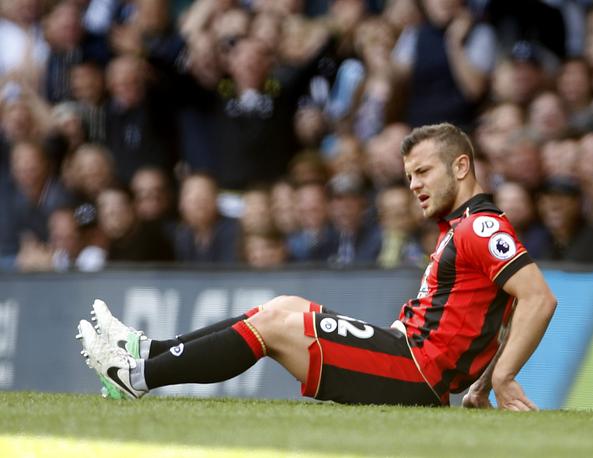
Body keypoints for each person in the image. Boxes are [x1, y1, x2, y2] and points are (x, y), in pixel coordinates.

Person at [77, 123, 556, 410]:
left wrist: (500, 378)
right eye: (408, 176)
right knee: (282, 307)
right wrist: (477, 384)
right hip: (408, 355)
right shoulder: (462, 228)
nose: (413, 185)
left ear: (460, 167)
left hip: (415, 371)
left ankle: (135, 377)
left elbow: (537, 298)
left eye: (423, 172)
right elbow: (502, 312)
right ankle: (146, 350)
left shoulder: (480, 228)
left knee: (275, 327)